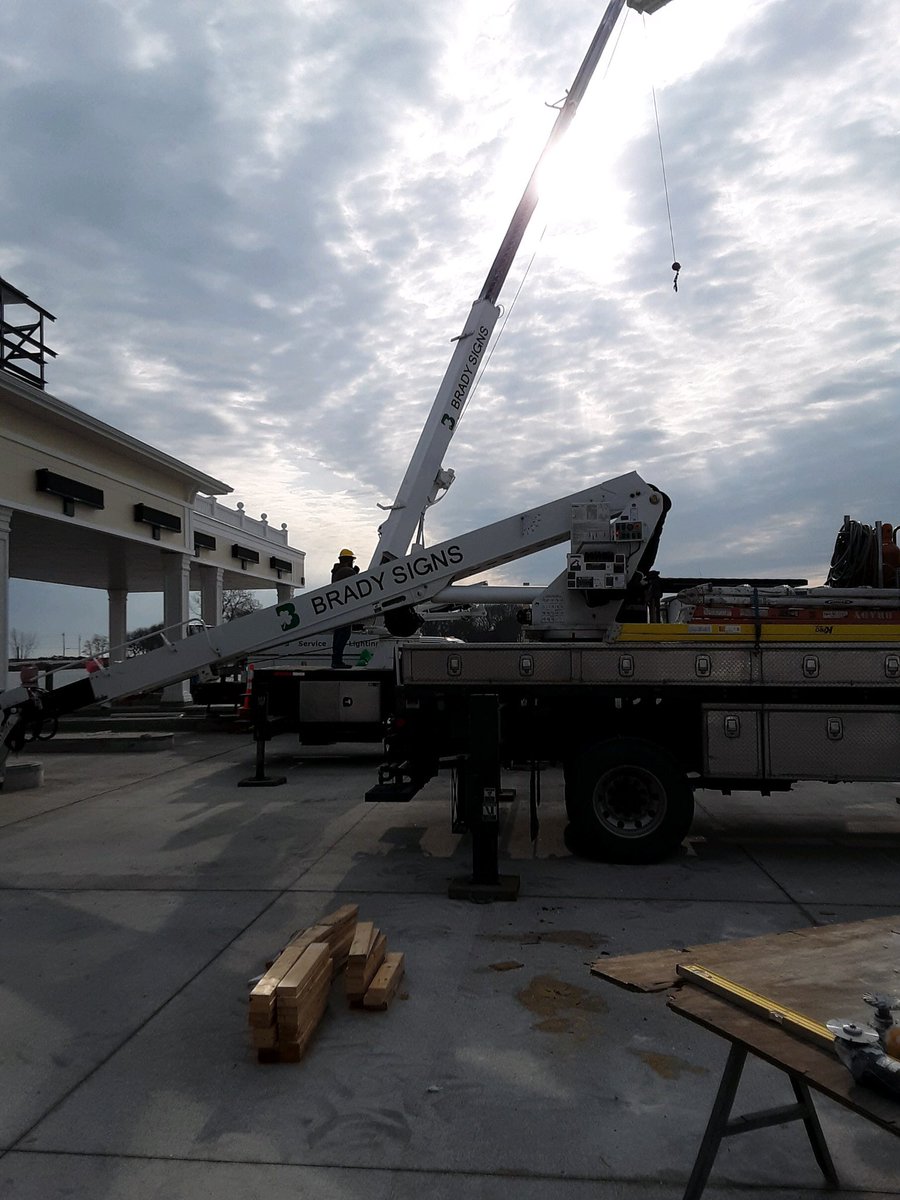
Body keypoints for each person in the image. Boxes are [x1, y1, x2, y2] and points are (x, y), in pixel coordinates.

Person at [330, 548, 359, 667]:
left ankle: (336, 660)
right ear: (348, 560)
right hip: (344, 608)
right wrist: (356, 572)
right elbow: (356, 582)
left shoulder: (337, 571)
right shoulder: (346, 571)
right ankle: (337, 661)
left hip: (338, 608)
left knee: (339, 634)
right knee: (344, 634)